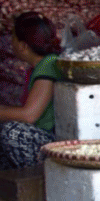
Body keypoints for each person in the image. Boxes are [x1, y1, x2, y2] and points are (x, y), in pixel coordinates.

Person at [0, 12, 63, 169]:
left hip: (53, 140)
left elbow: (29, 115)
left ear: (23, 46)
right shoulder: (40, 66)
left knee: (12, 132)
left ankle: (37, 176)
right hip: (42, 137)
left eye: (13, 37)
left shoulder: (49, 64)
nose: (11, 42)